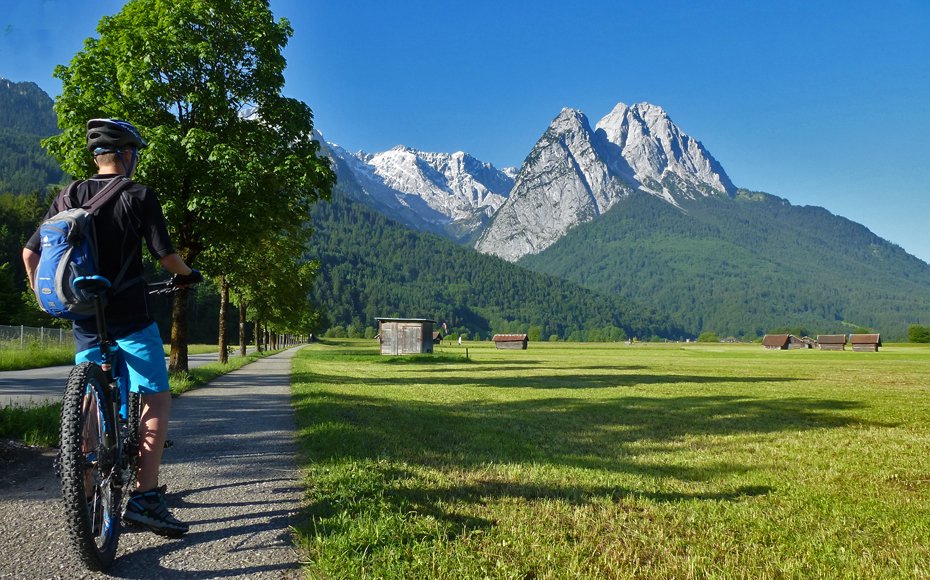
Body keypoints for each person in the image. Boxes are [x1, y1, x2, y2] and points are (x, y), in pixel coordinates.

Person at [23, 119, 201, 537]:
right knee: (155, 397)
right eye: (134, 153)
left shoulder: (66, 196)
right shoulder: (138, 195)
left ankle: (84, 488)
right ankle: (145, 497)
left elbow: (31, 255)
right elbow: (166, 258)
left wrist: (43, 297)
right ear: (125, 155)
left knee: (90, 393)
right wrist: (190, 275)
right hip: (129, 315)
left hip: (84, 317)